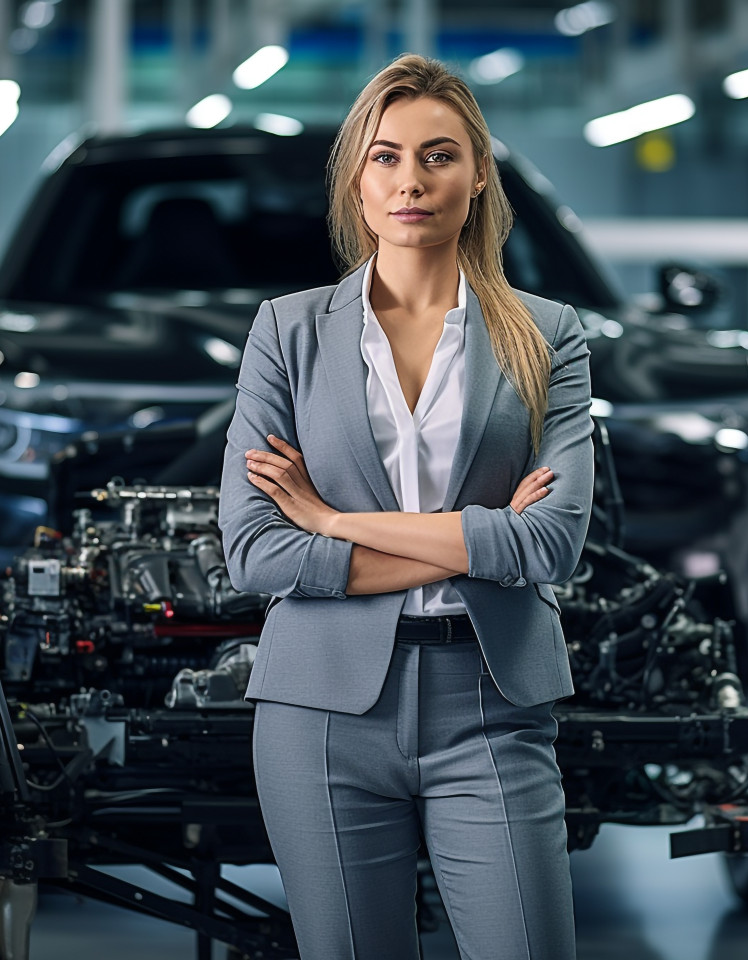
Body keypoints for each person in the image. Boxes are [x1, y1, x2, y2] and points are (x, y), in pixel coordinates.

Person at [219, 53, 593, 960]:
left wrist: (332, 520)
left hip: (492, 703)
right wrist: (479, 541)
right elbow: (255, 551)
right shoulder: (287, 331)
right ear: (356, 179)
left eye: (439, 155)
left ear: (478, 175)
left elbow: (551, 545)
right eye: (385, 156)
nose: (411, 180)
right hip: (321, 712)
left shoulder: (547, 335)